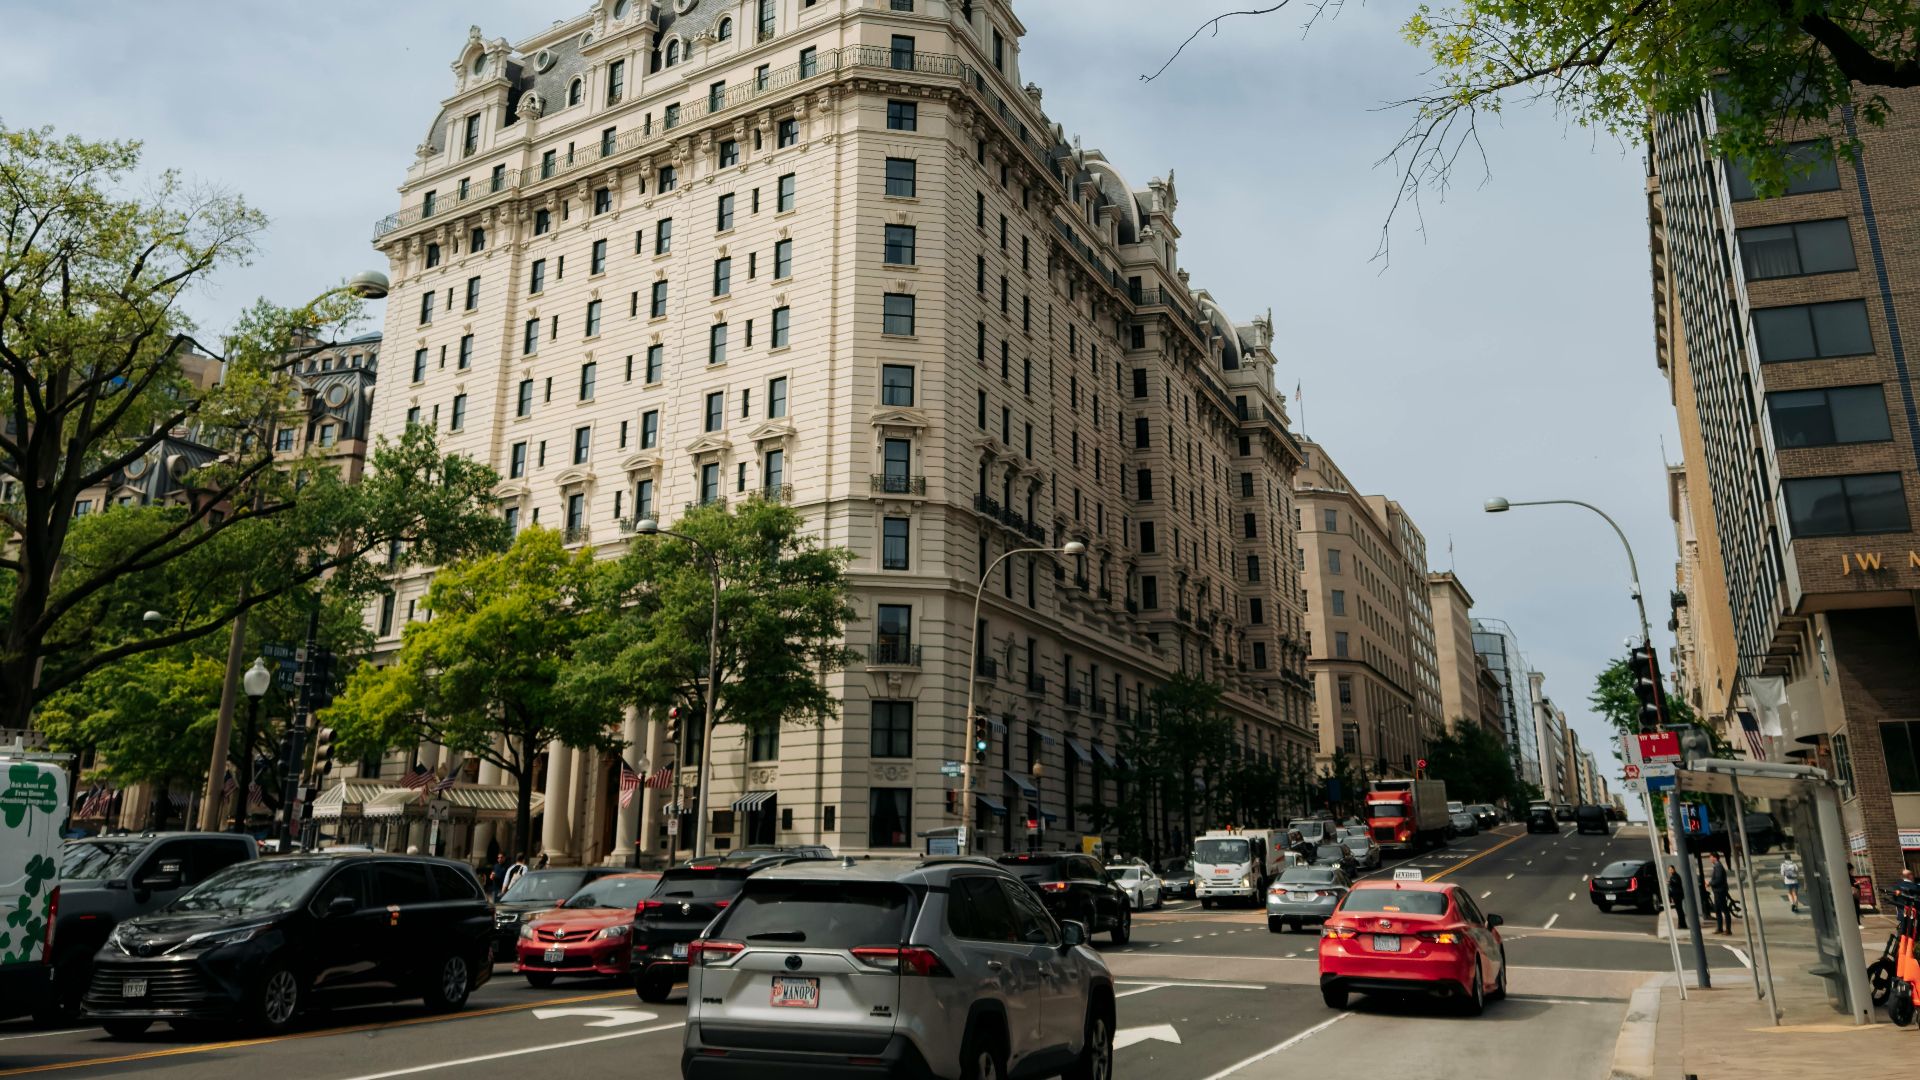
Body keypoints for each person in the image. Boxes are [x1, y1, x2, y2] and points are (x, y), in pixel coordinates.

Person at [1709, 852, 1732, 934]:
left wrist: (1710, 883)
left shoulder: (1718, 867)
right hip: (1717, 891)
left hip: (1720, 891)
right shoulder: (1716, 866)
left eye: (1710, 857)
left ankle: (1728, 929)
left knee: (1724, 910)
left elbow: (1718, 880)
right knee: (1717, 910)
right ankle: (1719, 928)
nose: (1710, 859)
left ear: (1715, 858)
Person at [1666, 865, 1687, 929]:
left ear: (1674, 869)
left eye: (1671, 869)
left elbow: (1676, 884)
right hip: (1676, 896)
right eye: (1669, 869)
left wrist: (1670, 882)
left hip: (1678, 896)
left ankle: (1682, 924)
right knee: (1679, 910)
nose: (1670, 870)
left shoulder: (1676, 876)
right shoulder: (1672, 877)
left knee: (1679, 910)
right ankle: (1681, 924)